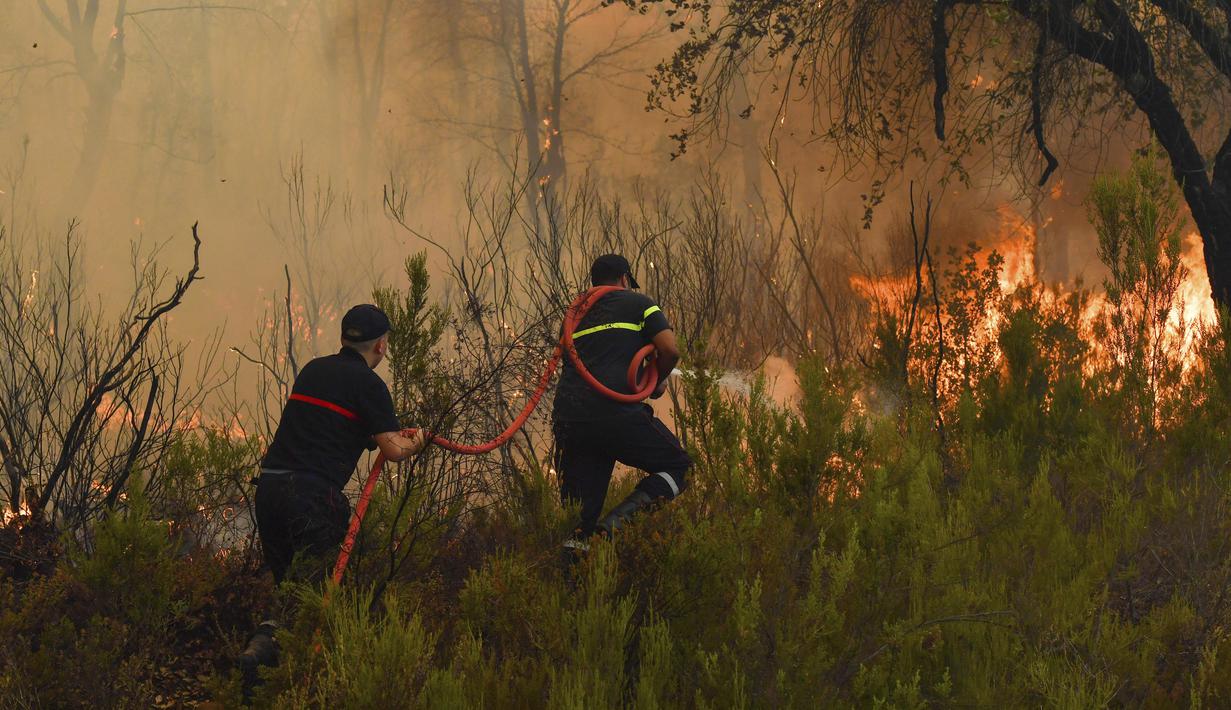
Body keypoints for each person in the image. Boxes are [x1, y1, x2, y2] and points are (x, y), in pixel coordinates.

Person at [238, 303, 426, 677]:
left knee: (292, 589)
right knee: (326, 592)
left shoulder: (313, 371)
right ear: (382, 346)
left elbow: (326, 425)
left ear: (344, 337)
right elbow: (393, 450)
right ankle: (305, 671)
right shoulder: (369, 384)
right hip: (310, 498)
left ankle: (262, 670)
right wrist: (418, 440)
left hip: (270, 490)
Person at [552, 254, 692, 552]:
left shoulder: (574, 317)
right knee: (680, 468)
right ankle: (612, 528)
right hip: (615, 415)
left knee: (577, 524)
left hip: (571, 422)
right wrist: (658, 380)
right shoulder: (639, 303)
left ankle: (571, 586)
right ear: (625, 279)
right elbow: (669, 350)